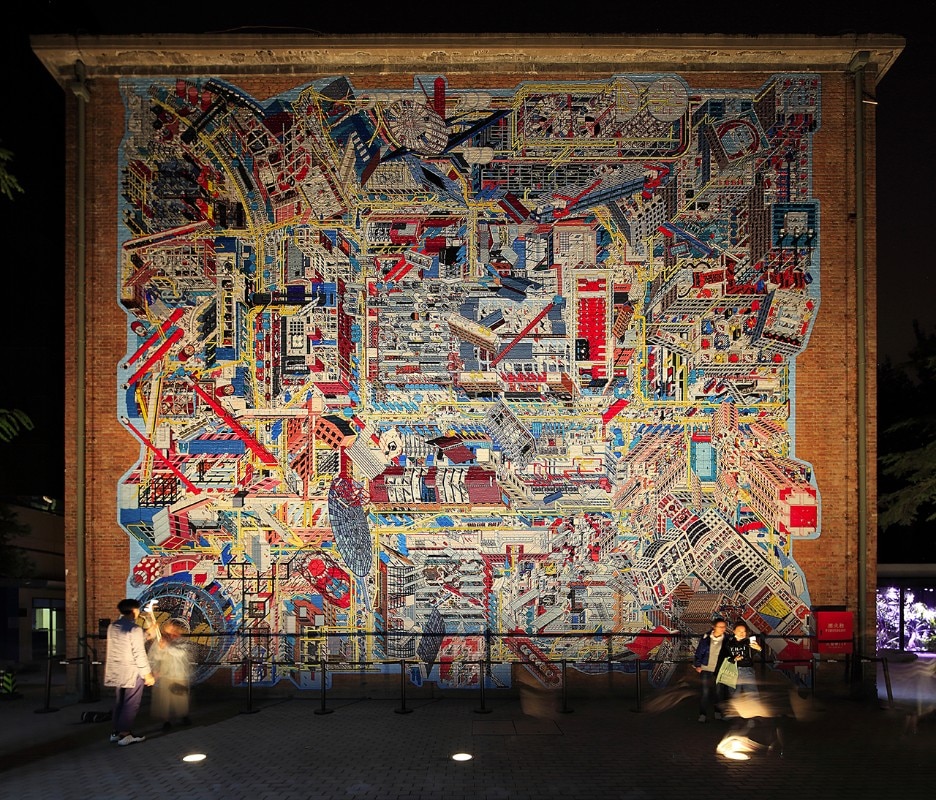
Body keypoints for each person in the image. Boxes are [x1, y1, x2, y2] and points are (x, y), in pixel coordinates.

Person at [104, 598, 156, 746]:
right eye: (138, 609)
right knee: (131, 704)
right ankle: (125, 734)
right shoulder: (135, 629)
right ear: (134, 610)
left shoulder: (113, 626)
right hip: (132, 672)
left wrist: (148, 633)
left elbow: (128, 642)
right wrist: (147, 674)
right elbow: (138, 652)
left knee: (120, 702)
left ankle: (116, 732)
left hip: (117, 671)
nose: (138, 612)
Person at [149, 618, 193, 730]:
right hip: (165, 674)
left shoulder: (182, 641)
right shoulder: (160, 641)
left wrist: (167, 646)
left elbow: (180, 653)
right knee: (165, 700)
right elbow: (155, 656)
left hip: (179, 674)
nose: (170, 633)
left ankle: (183, 715)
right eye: (168, 631)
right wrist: (160, 651)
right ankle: (166, 721)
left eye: (173, 630)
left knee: (180, 698)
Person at [693, 617, 728, 722]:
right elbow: (699, 652)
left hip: (720, 669)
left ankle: (717, 712)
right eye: (720, 626)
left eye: (724, 627)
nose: (722, 629)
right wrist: (698, 665)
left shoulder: (727, 639)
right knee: (705, 692)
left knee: (719, 692)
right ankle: (703, 714)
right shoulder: (706, 638)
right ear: (714, 627)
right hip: (706, 668)